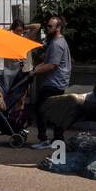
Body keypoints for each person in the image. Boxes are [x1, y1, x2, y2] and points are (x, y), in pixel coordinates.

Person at [31, 15, 72, 150]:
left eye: (50, 26)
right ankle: (57, 139)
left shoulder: (56, 44)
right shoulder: (56, 41)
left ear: (58, 28)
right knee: (55, 111)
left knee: (42, 110)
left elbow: (52, 65)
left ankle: (45, 139)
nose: (48, 28)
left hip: (54, 82)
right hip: (56, 81)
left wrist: (35, 72)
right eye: (47, 26)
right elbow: (48, 61)